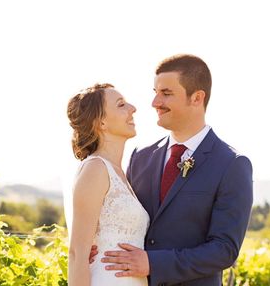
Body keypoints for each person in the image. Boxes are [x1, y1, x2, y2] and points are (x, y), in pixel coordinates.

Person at [95, 54, 253, 286]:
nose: (155, 102)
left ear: (197, 98)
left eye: (166, 94)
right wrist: (97, 246)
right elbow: (124, 217)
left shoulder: (232, 164)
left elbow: (224, 250)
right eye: (155, 92)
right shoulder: (141, 157)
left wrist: (153, 263)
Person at [67, 83, 150, 286]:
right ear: (101, 122)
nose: (132, 108)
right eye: (121, 105)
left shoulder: (120, 173)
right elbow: (77, 254)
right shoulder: (95, 169)